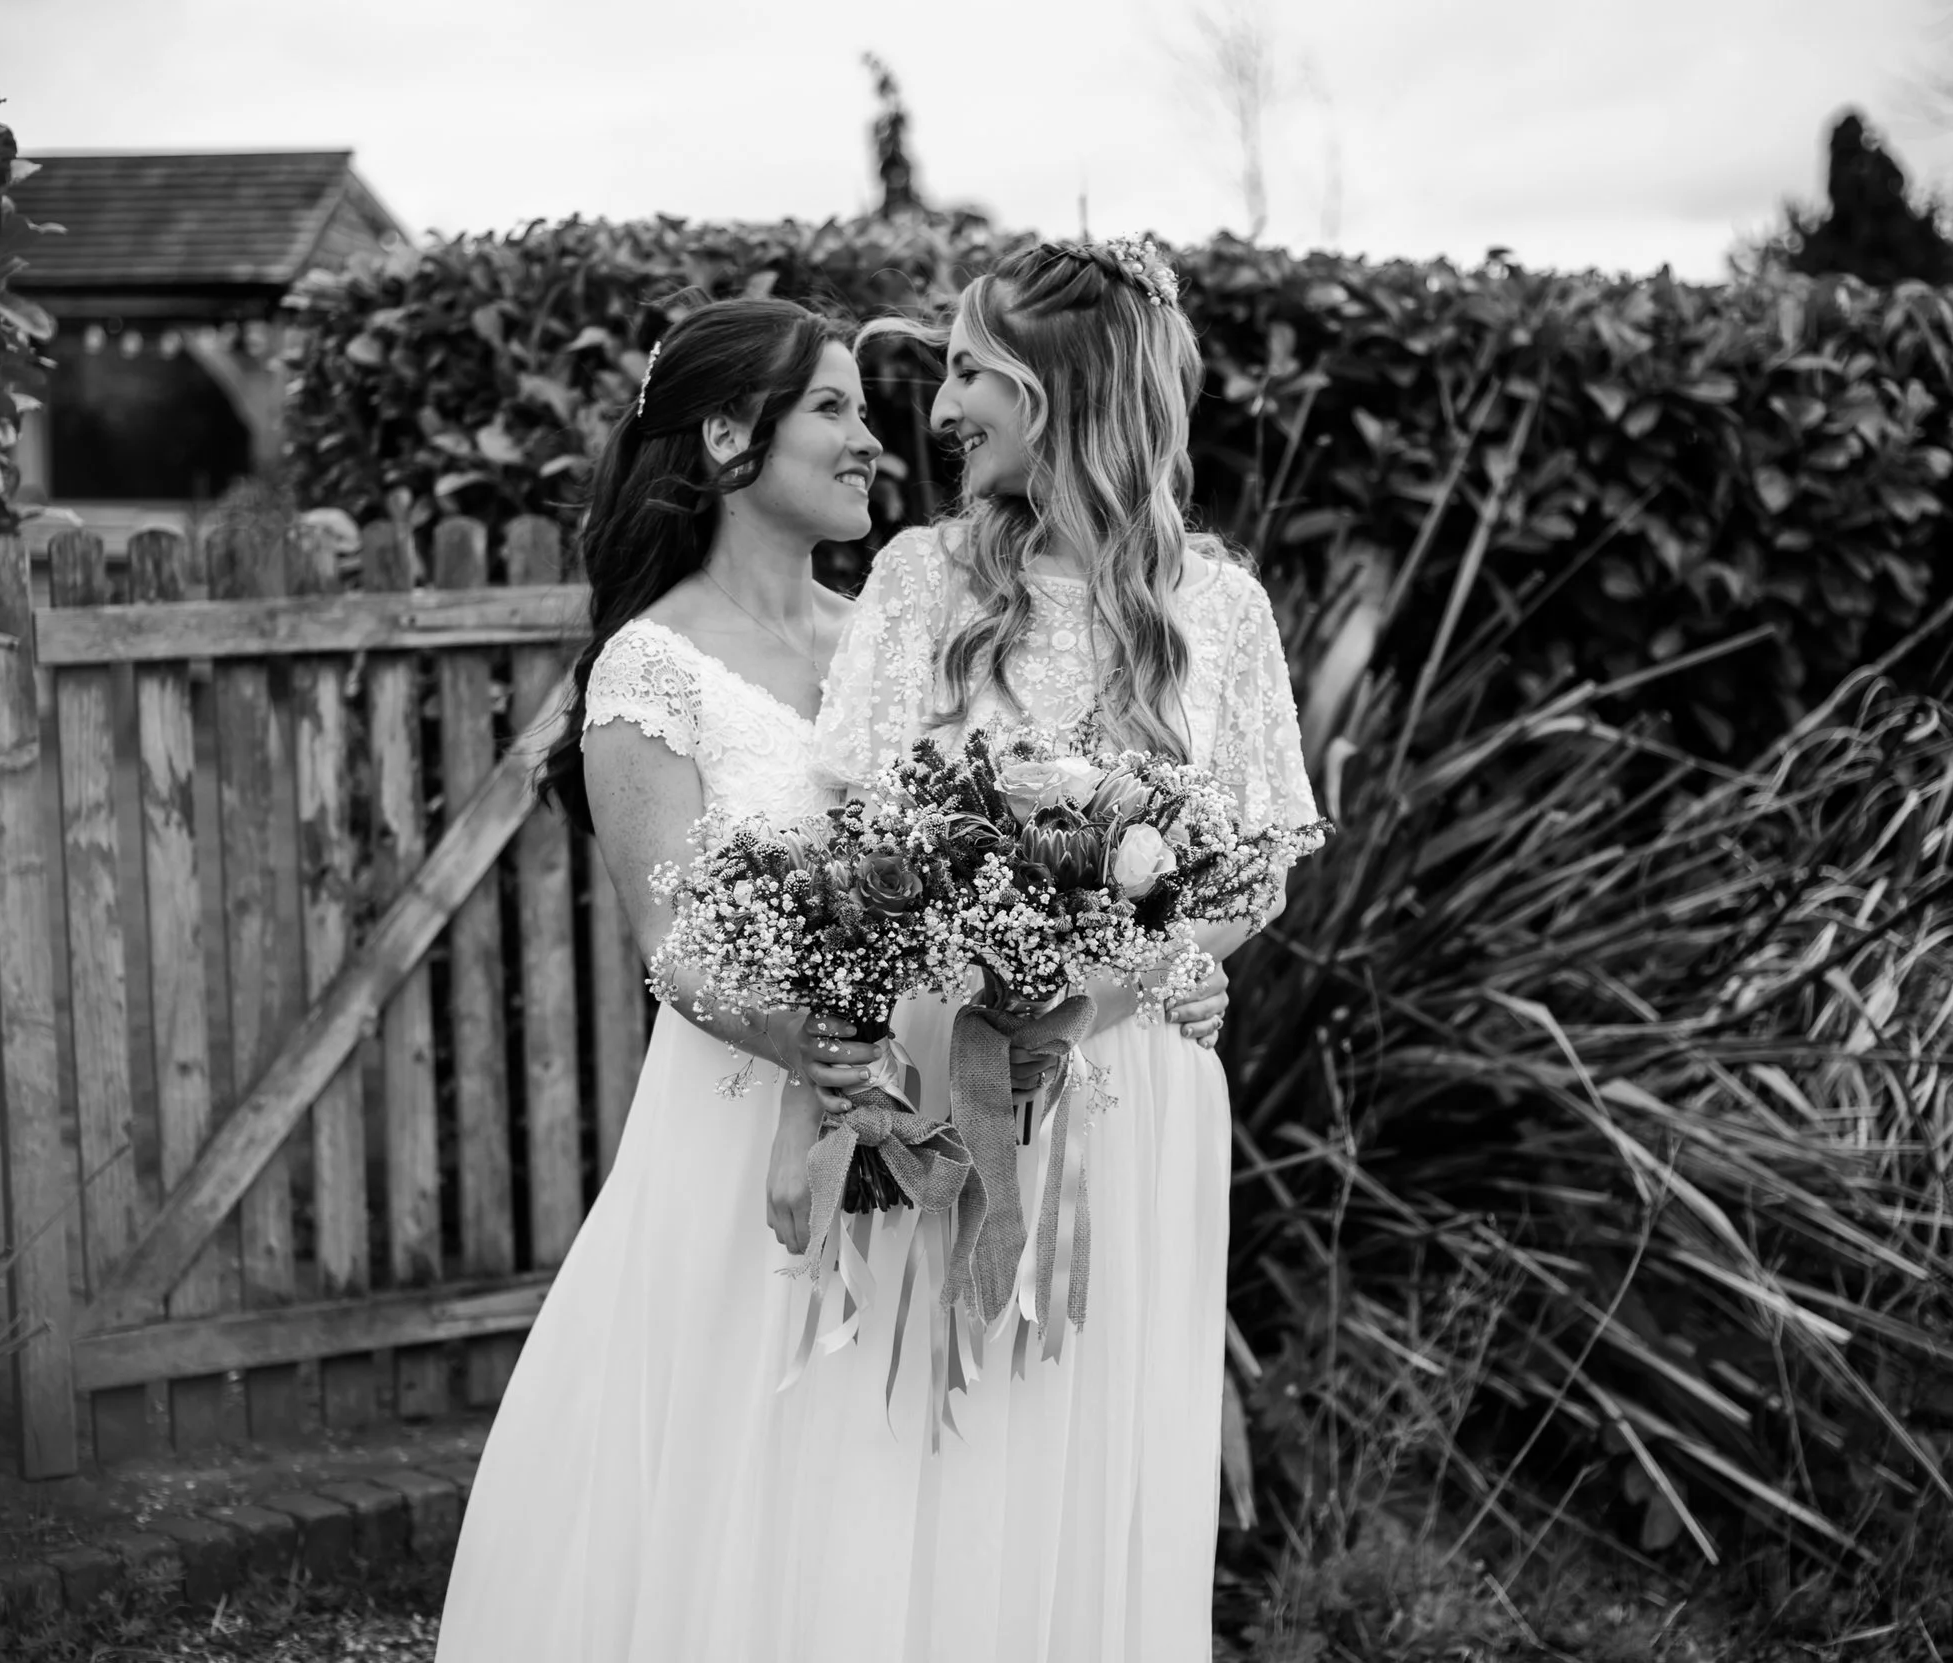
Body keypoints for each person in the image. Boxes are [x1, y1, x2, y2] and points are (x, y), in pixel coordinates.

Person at [435, 293, 1236, 1662]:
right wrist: (805, 1043)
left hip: (921, 1117)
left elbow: (990, 843)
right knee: (751, 1445)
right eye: (832, 409)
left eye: (867, 411)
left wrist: (1138, 961)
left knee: (891, 1467)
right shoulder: (652, 666)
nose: (874, 440)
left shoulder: (902, 628)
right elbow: (672, 941)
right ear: (728, 436)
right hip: (757, 1112)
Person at [811, 236, 1322, 1661]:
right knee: (936, 1424)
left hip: (1136, 1078)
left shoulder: (1219, 609)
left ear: (1066, 391)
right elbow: (854, 825)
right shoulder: (920, 581)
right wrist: (974, 963)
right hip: (952, 1062)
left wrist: (1124, 980)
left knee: (1105, 1429)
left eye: (973, 372)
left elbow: (1259, 864)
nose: (940, 407)